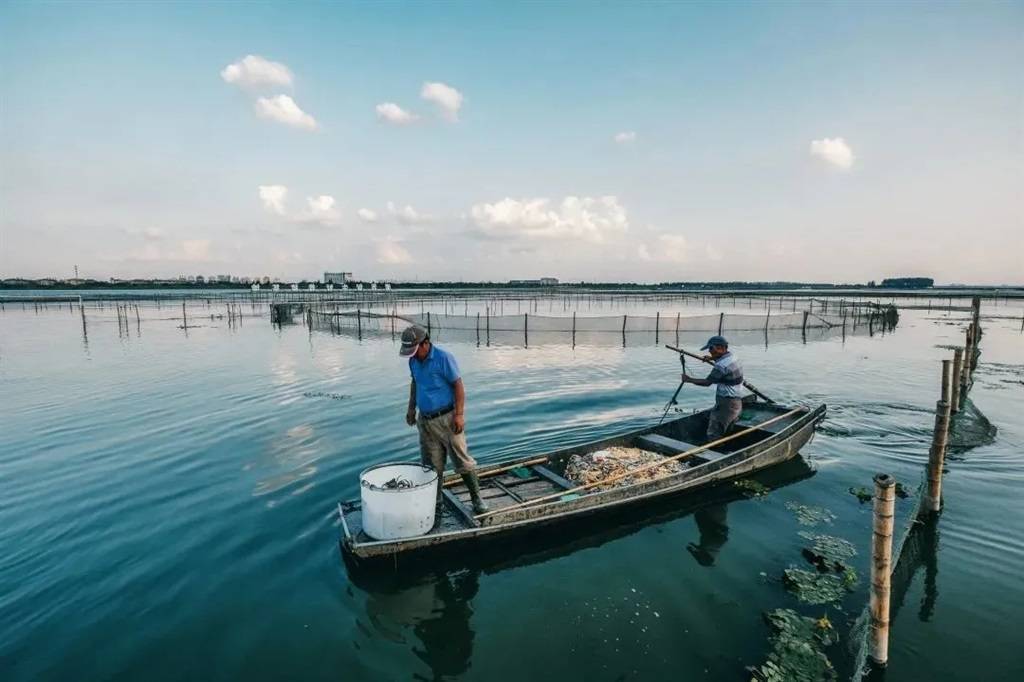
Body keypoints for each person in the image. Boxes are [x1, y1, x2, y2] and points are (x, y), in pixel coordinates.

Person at [399, 325, 489, 514]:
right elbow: (415, 383)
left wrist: (459, 415)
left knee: (462, 461)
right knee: (431, 466)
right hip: (426, 422)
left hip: (448, 419)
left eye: (415, 350)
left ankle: (477, 499)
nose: (412, 356)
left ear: (425, 343)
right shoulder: (413, 362)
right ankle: (436, 502)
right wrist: (410, 408)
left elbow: (458, 386)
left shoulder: (444, 358)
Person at [680, 335, 745, 440]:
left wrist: (689, 380)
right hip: (737, 401)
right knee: (727, 427)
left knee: (714, 432)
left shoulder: (721, 366)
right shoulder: (733, 357)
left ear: (721, 348)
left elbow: (707, 382)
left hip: (726, 403)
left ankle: (714, 450)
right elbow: (722, 362)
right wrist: (712, 358)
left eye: (711, 348)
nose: (710, 351)